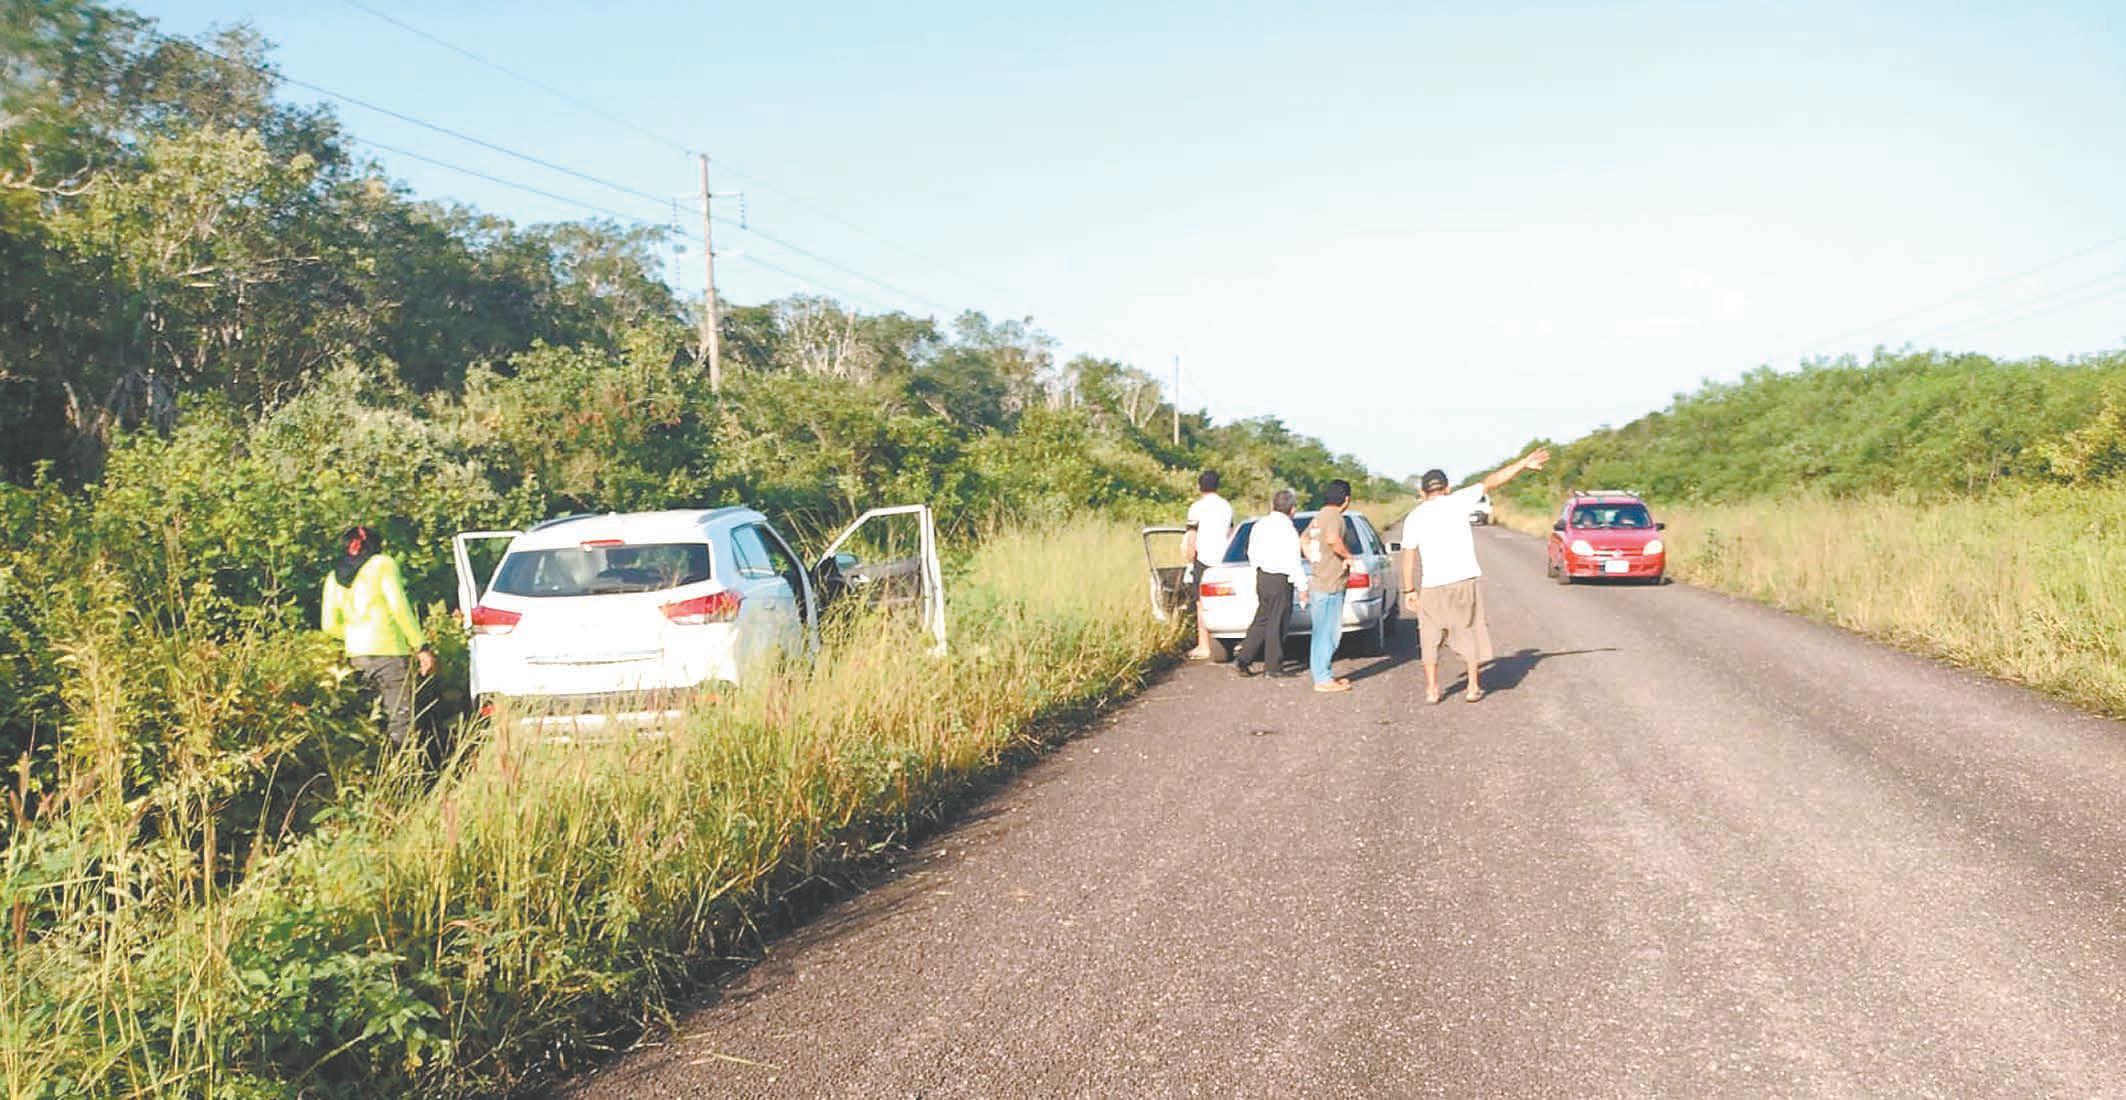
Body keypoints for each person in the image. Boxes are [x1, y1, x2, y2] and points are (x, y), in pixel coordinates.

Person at [1397, 448, 1550, 703]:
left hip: (1432, 586)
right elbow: (1493, 480)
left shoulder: (1414, 517)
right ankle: (1472, 686)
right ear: (1447, 488)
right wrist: (1523, 463)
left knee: (1429, 636)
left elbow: (1408, 555)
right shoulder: (1460, 500)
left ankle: (1432, 689)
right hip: (1463, 581)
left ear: (1423, 493)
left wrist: (1409, 590)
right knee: (1467, 631)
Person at [321, 524, 436, 748]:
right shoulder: (383, 564)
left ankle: (376, 766)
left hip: (357, 658)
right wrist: (421, 646)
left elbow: (328, 625)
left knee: (370, 725)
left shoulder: (334, 577)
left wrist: (354, 636)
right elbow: (399, 607)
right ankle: (402, 767)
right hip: (390, 654)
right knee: (401, 724)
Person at [1233, 489, 1306, 678]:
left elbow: (1251, 551)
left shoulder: (1260, 525)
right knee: (1277, 622)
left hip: (1263, 576)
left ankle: (1243, 658)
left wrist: (1258, 568)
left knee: (1262, 619)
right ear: (1292, 509)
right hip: (1280, 578)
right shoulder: (1288, 530)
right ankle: (1273, 666)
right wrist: (1303, 586)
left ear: (1273, 505)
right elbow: (1294, 561)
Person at [1305, 479, 1356, 693]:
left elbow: (1303, 539)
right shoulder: (1335, 516)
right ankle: (1323, 679)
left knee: (1320, 632)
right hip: (1330, 584)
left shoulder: (1319, 517)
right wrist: (1348, 556)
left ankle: (1323, 674)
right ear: (1346, 499)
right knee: (1328, 633)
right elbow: (1333, 539)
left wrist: (1314, 559)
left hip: (1319, 581)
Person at [1181, 469, 1234, 661]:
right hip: (1224, 559)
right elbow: (1230, 533)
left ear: (1199, 486)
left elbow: (1192, 536)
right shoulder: (1226, 506)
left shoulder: (1196, 508)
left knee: (1201, 603)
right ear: (1218, 486)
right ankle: (1228, 641)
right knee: (1225, 600)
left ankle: (1204, 645)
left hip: (1204, 559)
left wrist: (1189, 560)